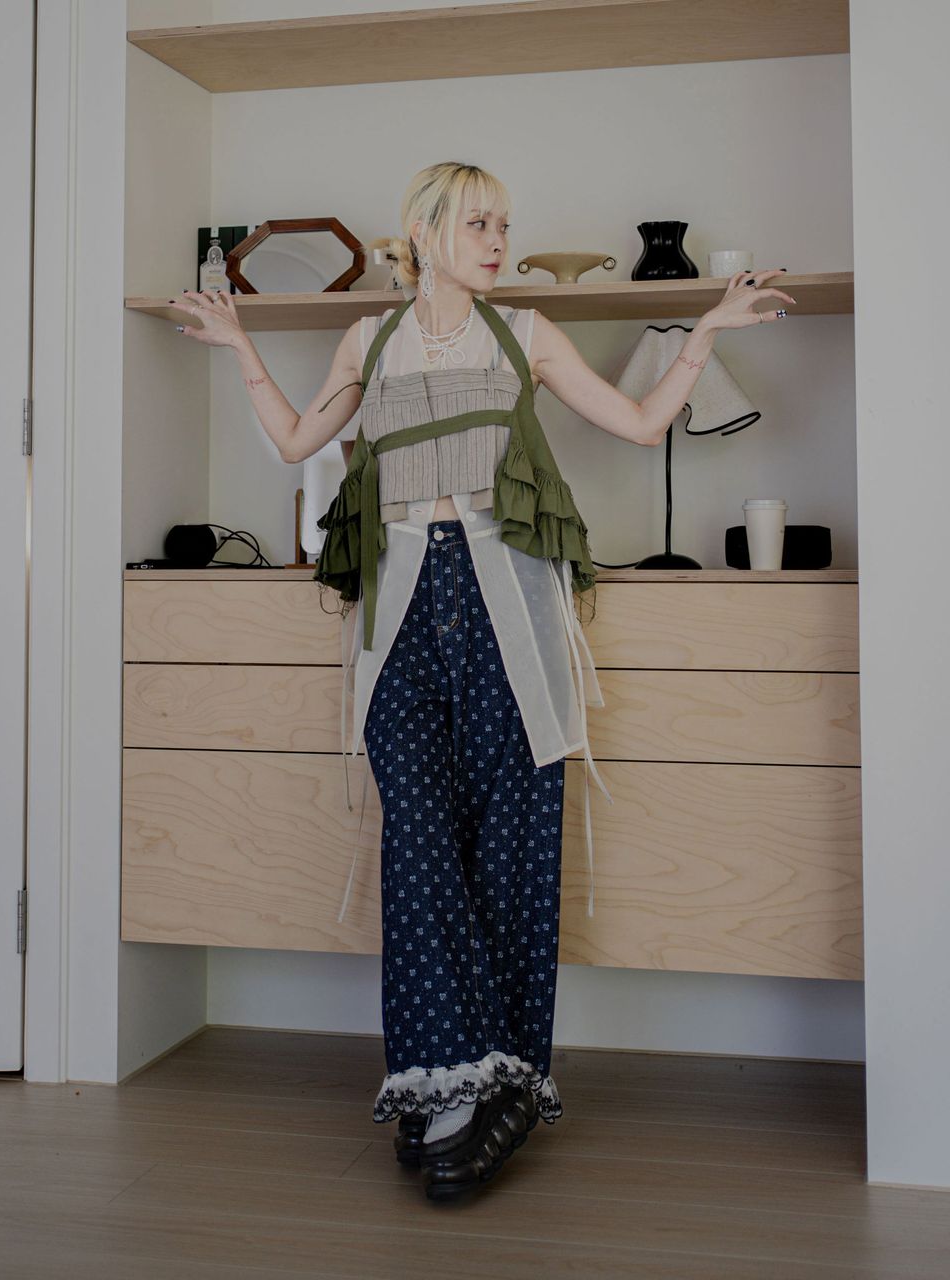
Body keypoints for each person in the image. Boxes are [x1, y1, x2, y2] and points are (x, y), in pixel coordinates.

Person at [171, 161, 795, 1199]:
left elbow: (640, 425)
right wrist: (240, 345)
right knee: (418, 839)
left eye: (504, 223)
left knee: (509, 843)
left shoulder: (527, 334)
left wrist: (707, 334)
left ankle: (493, 1081)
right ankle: (453, 1079)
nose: (498, 240)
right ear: (421, 234)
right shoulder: (367, 340)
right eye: (477, 223)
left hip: (510, 609)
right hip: (400, 616)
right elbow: (294, 442)